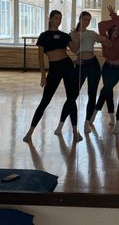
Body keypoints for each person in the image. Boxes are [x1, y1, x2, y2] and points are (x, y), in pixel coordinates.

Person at [23, 10, 82, 143]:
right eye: (56, 18)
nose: (58, 20)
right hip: (54, 69)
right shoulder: (44, 36)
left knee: (71, 99)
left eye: (60, 18)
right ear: (50, 19)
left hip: (67, 66)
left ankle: (75, 132)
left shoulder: (64, 35)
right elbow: (40, 57)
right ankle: (30, 132)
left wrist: (78, 38)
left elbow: (74, 49)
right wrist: (43, 75)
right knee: (45, 101)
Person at [54, 11, 110, 135]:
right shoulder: (72, 34)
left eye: (89, 20)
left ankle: (87, 123)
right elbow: (71, 50)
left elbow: (106, 42)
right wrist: (74, 59)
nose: (87, 22)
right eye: (85, 19)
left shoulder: (91, 33)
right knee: (72, 96)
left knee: (92, 94)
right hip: (81, 65)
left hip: (93, 65)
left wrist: (106, 37)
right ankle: (60, 125)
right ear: (80, 18)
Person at [90, 5, 119, 126]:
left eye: (118, 30)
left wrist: (114, 16)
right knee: (108, 92)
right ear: (110, 31)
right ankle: (111, 116)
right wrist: (113, 22)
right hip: (106, 68)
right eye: (115, 30)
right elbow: (101, 25)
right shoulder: (105, 39)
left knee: (105, 90)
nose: (117, 32)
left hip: (117, 70)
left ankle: (95, 112)